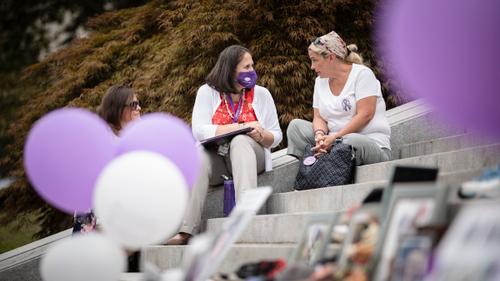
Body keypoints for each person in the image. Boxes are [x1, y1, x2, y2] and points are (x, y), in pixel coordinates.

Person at [166, 45, 282, 245]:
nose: (251, 71)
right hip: (219, 158)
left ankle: (247, 220)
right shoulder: (207, 92)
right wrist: (242, 126)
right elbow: (199, 130)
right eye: (246, 67)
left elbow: (277, 135)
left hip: (252, 156)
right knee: (198, 157)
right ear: (230, 70)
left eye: (252, 66)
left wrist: (261, 135)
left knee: (240, 140)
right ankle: (187, 230)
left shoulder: (261, 94)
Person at [287, 31, 391, 166]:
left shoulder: (362, 74)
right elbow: (318, 117)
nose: (312, 67)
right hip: (333, 143)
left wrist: (335, 138)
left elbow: (366, 115)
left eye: (315, 60)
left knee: (351, 141)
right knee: (295, 127)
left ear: (331, 57)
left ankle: (327, 162)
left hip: (367, 143)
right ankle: (320, 163)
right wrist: (319, 135)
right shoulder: (320, 81)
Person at [72, 85, 142, 235]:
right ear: (118, 108)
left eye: (138, 103)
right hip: (99, 218)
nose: (139, 108)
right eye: (134, 105)